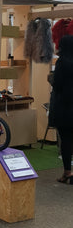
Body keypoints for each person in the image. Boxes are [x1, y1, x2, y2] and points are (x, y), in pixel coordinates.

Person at [49, 34, 73, 184]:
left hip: (64, 106)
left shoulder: (62, 62)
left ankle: (67, 172)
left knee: (66, 140)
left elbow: (57, 83)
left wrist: (50, 78)